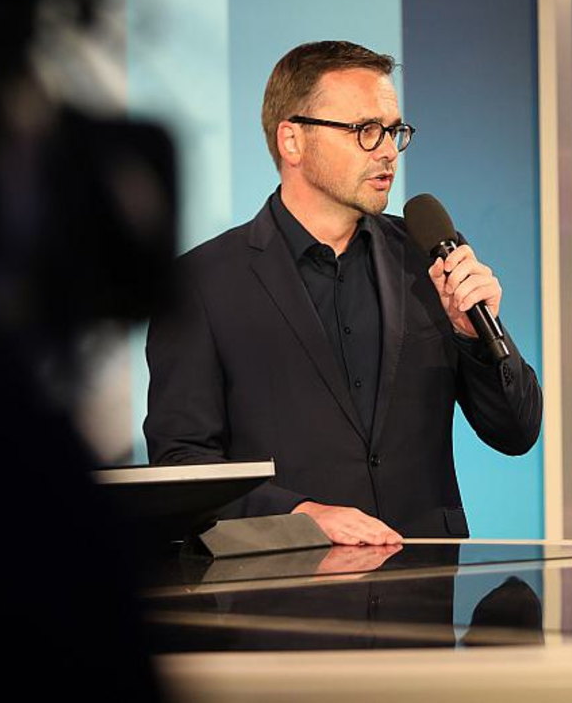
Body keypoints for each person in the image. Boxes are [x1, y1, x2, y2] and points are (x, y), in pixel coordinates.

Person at [145, 40, 543, 545]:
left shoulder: (428, 256)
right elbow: (182, 464)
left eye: (394, 131)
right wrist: (298, 515)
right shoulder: (202, 281)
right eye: (365, 130)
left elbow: (516, 432)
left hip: (421, 578)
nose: (387, 151)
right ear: (292, 140)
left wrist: (475, 338)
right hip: (285, 582)